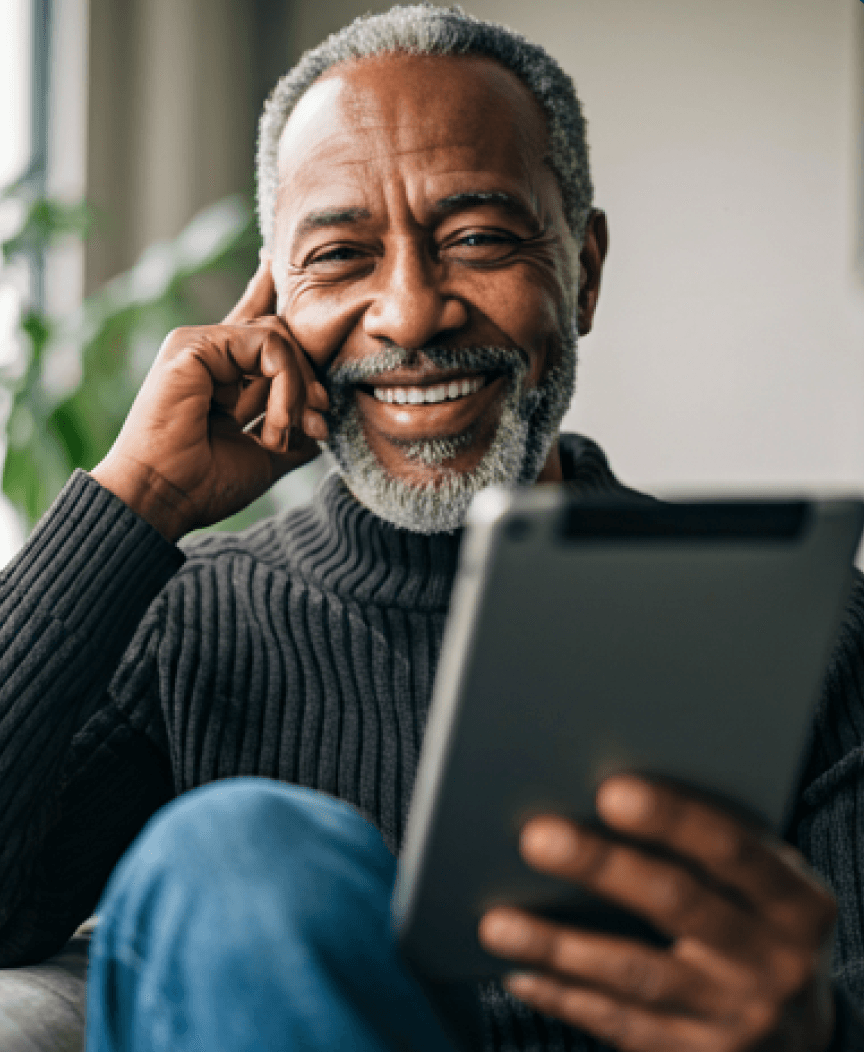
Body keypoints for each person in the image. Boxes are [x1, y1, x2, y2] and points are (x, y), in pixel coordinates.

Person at [0, 5, 862, 1051]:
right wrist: (137, 495)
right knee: (236, 850)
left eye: (478, 238)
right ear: (272, 302)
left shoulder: (810, 629)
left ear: (582, 271)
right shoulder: (188, 625)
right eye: (340, 257)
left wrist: (810, 1028)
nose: (409, 314)